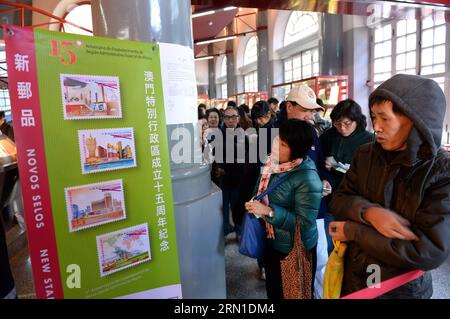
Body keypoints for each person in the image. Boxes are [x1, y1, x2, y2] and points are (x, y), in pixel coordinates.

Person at [329, 74, 450, 299]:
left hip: (401, 288)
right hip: (355, 276)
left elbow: (428, 251)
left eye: (385, 119)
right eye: (374, 117)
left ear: (416, 121)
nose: (377, 128)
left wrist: (353, 230)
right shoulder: (366, 154)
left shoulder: (441, 172)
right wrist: (369, 212)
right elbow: (339, 199)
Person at [245, 119, 322, 299]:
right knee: (274, 291)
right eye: (276, 139)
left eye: (283, 144)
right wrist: (254, 204)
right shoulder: (271, 164)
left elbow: (303, 224)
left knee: (295, 293)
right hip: (272, 241)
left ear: (296, 150)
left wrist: (269, 212)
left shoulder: (308, 179)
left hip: (295, 250)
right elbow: (259, 192)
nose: (275, 145)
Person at [285, 85, 332, 298]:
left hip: (317, 209)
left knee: (321, 257)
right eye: (305, 109)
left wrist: (325, 180)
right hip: (287, 212)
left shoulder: (312, 131)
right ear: (289, 107)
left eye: (312, 110)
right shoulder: (272, 134)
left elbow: (320, 164)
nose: (309, 115)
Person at [319, 99, 375, 254]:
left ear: (356, 120)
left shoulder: (369, 140)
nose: (342, 129)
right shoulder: (329, 136)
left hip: (355, 201)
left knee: (351, 246)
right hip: (331, 198)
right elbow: (317, 160)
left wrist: (338, 165)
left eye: (347, 123)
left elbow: (368, 174)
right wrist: (323, 178)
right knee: (329, 244)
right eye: (337, 124)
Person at [216, 107, 247, 236]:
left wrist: (226, 167)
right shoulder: (218, 135)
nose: (231, 120)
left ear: (238, 118)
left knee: (237, 208)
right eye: (227, 117)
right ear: (224, 119)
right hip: (221, 180)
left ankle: (240, 233)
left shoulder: (244, 136)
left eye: (233, 117)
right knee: (221, 209)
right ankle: (224, 231)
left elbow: (244, 160)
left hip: (238, 179)